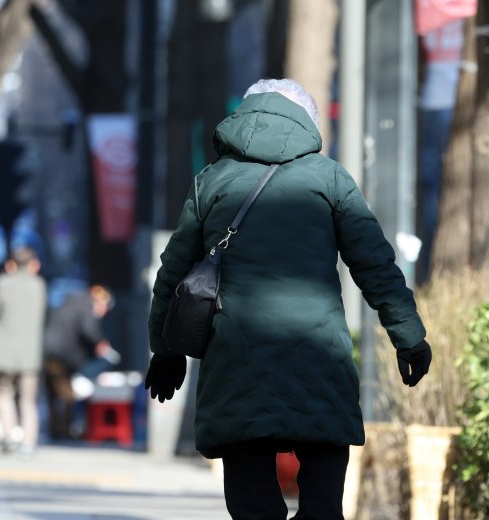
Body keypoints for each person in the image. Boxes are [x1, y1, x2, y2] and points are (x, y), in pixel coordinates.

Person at [145, 79, 433, 519]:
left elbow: (172, 274)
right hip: (318, 359)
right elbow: (375, 265)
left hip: (236, 364)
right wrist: (408, 336)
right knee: (322, 502)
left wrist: (165, 351)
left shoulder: (212, 181)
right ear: (306, 123)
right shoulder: (330, 179)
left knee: (253, 504)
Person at [0, 247, 48, 454]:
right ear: (33, 264)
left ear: (11, 264)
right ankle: (29, 441)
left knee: (2, 393)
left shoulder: (2, 283)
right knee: (29, 399)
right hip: (30, 352)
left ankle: (10, 434)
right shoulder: (39, 285)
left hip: (3, 349)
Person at [43, 284, 120, 440]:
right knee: (67, 394)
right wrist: (100, 343)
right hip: (64, 354)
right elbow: (88, 328)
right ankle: (63, 429)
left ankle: (54, 428)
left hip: (46, 350)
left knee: (52, 393)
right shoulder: (87, 306)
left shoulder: (69, 301)